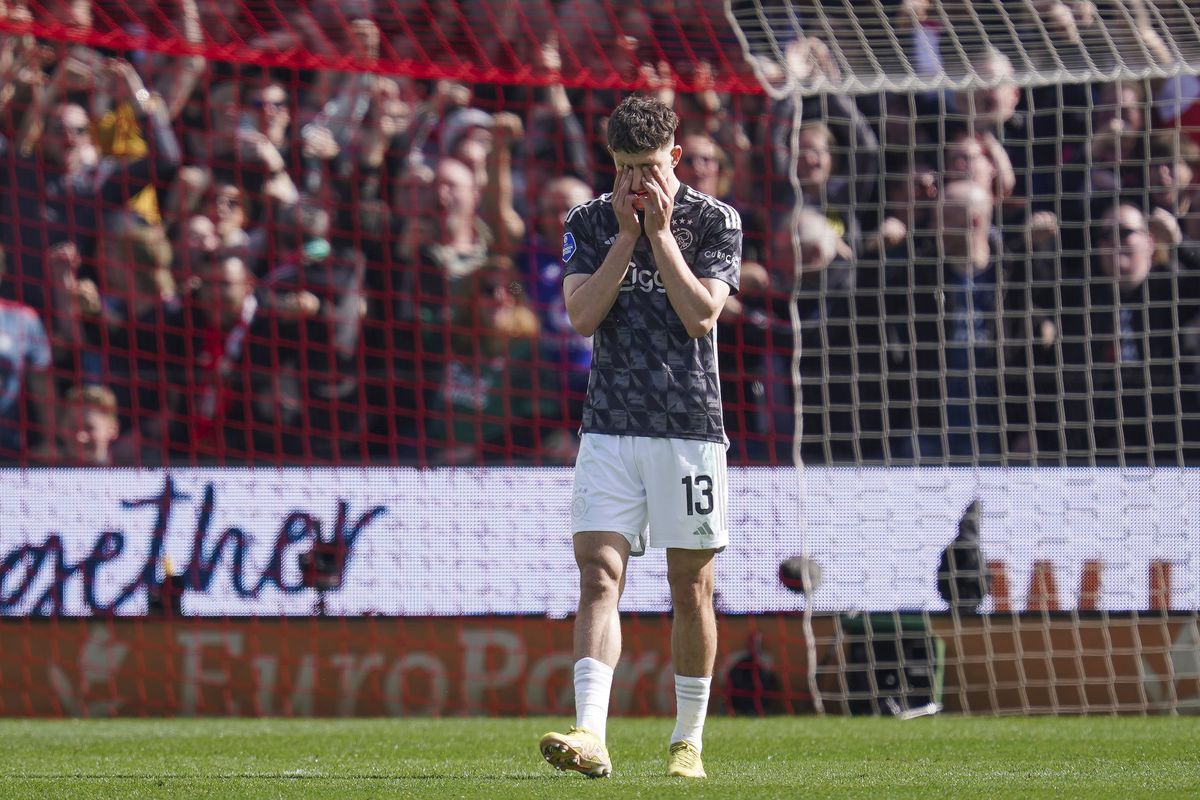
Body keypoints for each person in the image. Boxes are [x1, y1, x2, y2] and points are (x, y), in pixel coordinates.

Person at [537, 94, 741, 780]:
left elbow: (701, 315)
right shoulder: (590, 222)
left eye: (648, 167)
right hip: (610, 428)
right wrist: (626, 236)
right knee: (598, 574)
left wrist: (659, 235)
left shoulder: (715, 220)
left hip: (688, 428)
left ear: (674, 158)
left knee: (692, 587)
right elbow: (582, 317)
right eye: (624, 168)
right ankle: (591, 733)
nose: (635, 182)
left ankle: (688, 740)